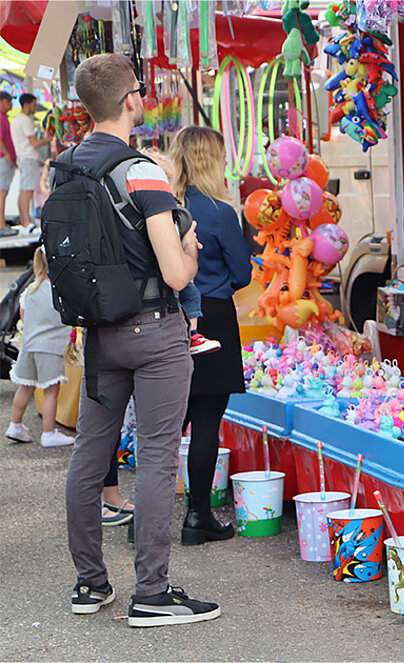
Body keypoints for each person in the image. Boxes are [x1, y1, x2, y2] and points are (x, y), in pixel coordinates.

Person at [61, 53, 219, 627]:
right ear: (132, 100)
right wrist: (191, 250)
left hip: (99, 331)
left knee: (89, 455)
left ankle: (90, 583)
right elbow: (176, 274)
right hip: (154, 329)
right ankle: (152, 592)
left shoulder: (66, 167)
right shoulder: (142, 171)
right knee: (155, 457)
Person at [168, 126, 251, 546]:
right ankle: (197, 515)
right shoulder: (220, 211)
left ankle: (144, 515)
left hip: (169, 315)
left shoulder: (164, 206)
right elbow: (243, 273)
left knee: (166, 423)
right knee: (205, 420)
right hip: (213, 316)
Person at [140, 147, 221, 356]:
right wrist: (188, 245)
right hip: (168, 273)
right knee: (190, 293)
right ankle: (192, 333)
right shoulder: (169, 215)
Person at [4, 247, 75, 447]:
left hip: (29, 347)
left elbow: (24, 318)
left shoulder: (30, 290)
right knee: (51, 390)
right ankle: (48, 432)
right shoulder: (61, 291)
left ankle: (15, 425)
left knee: (25, 386)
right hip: (50, 348)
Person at [11, 93, 47, 230]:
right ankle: (26, 222)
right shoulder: (25, 120)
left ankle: (24, 220)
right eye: (34, 104)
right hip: (29, 158)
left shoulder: (16, 119)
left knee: (23, 190)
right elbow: (34, 142)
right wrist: (50, 139)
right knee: (28, 191)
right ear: (27, 104)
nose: (36, 107)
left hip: (23, 157)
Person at [0, 91, 16, 223]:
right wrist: (7, 155)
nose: (11, 104)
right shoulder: (0, 118)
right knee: (2, 191)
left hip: (5, 159)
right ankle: (1, 223)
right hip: (3, 159)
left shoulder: (4, 117)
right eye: (8, 101)